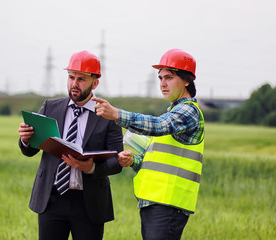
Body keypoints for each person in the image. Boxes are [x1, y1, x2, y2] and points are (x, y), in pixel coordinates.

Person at [93, 49, 204, 240]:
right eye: (160, 78)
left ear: (187, 80)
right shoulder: (172, 112)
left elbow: (160, 126)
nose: (162, 83)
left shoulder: (188, 111)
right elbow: (156, 160)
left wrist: (117, 114)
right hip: (154, 203)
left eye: (169, 77)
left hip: (168, 204)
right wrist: (134, 161)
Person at [18, 50, 123, 240]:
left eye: (81, 79)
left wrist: (91, 168)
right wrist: (25, 140)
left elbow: (117, 162)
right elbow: (30, 150)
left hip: (89, 203)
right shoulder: (50, 107)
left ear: (95, 82)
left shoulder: (108, 115)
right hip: (51, 199)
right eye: (71, 77)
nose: (74, 84)